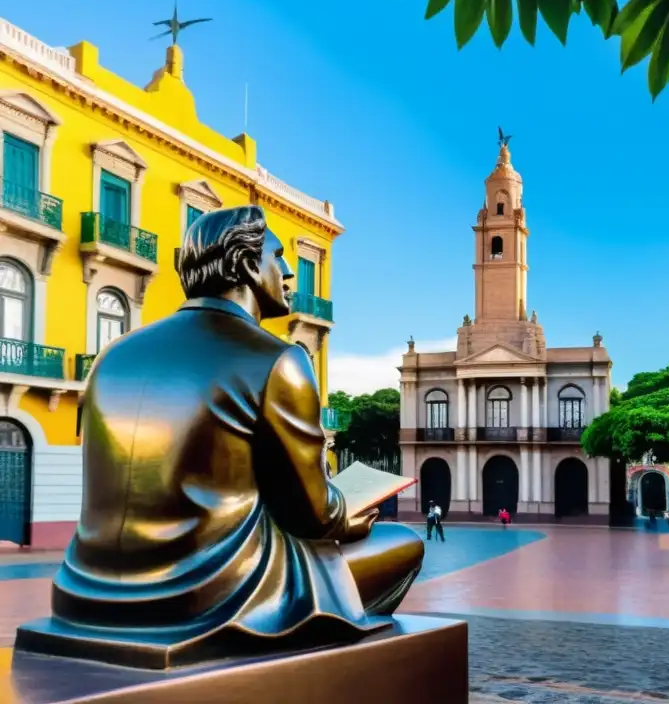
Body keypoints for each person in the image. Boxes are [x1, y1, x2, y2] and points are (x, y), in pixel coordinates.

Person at [28, 206, 424, 667]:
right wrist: (348, 519)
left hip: (83, 594)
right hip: (210, 598)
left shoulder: (111, 356)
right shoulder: (279, 360)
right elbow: (315, 516)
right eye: (278, 256)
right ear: (246, 265)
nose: (290, 270)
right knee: (403, 543)